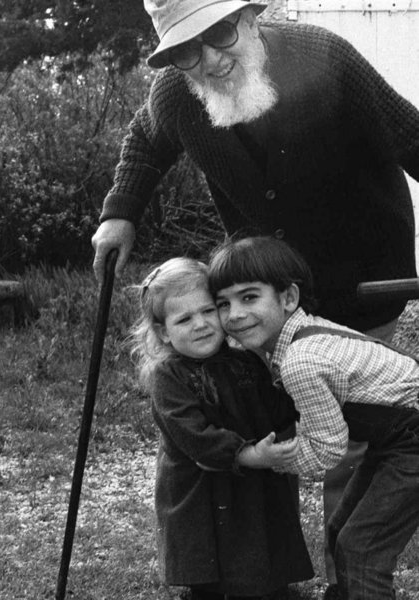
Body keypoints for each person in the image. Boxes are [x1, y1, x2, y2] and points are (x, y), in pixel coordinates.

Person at [91, 3, 418, 594]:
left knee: (353, 429)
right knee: (277, 414)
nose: (209, 59)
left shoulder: (324, 57)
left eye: (218, 33)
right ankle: (272, 569)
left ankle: (353, 575)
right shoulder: (176, 92)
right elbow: (145, 140)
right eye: (186, 50)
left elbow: (412, 135)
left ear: (249, 17)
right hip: (265, 293)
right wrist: (120, 212)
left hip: (362, 280)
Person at [207, 235, 419, 600]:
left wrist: (265, 459)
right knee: (340, 530)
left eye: (249, 297)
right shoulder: (304, 333)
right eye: (223, 304)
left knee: (363, 550)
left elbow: (327, 449)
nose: (235, 314)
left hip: (411, 442)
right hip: (398, 438)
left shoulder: (301, 360)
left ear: (289, 298)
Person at [130, 256, 314, 600]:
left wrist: (300, 387)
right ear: (163, 332)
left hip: (254, 484)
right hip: (202, 489)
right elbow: (192, 434)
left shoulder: (246, 360)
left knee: (262, 553)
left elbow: (276, 409)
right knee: (210, 572)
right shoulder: (169, 376)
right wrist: (246, 453)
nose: (200, 324)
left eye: (208, 310)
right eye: (184, 319)